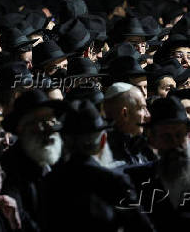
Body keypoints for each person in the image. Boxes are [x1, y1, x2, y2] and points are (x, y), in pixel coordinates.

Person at [42, 99, 155, 231]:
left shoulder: (49, 181)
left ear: (65, 142)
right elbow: (142, 227)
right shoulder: (114, 181)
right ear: (102, 140)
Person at [1, 89, 66, 230]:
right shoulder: (8, 168)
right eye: (41, 122)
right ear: (21, 128)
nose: (49, 128)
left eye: (51, 120)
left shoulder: (63, 160)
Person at [125, 96, 190, 232]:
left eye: (180, 135)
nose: (175, 143)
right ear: (152, 140)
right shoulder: (135, 182)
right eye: (166, 137)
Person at [103, 82, 152, 165]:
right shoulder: (107, 155)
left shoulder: (140, 143)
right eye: (142, 108)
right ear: (124, 113)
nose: (148, 115)